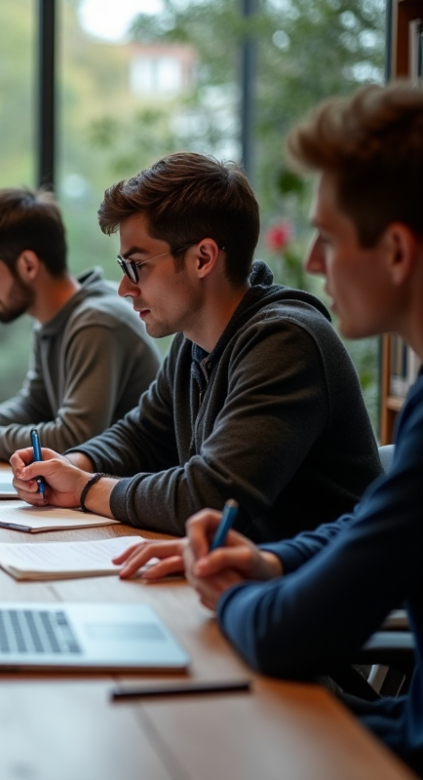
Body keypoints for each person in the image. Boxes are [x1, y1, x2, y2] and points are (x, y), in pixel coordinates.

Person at [114, 82, 423, 775]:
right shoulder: (192, 350)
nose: (312, 262)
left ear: (397, 253)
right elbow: (368, 522)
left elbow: (289, 632)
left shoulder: (286, 337)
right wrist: (274, 563)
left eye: (329, 238)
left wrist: (234, 590)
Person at [9, 152, 381, 540]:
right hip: (244, 578)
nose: (124, 288)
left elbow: (210, 497)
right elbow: (142, 436)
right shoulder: (195, 342)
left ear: (203, 258)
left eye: (137, 266)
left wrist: (85, 488)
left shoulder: (286, 342)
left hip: (314, 590)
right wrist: (70, 463)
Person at [0, 187, 160, 460]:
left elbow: (75, 437)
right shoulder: (54, 320)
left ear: (28, 265)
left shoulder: (97, 323)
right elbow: (35, 406)